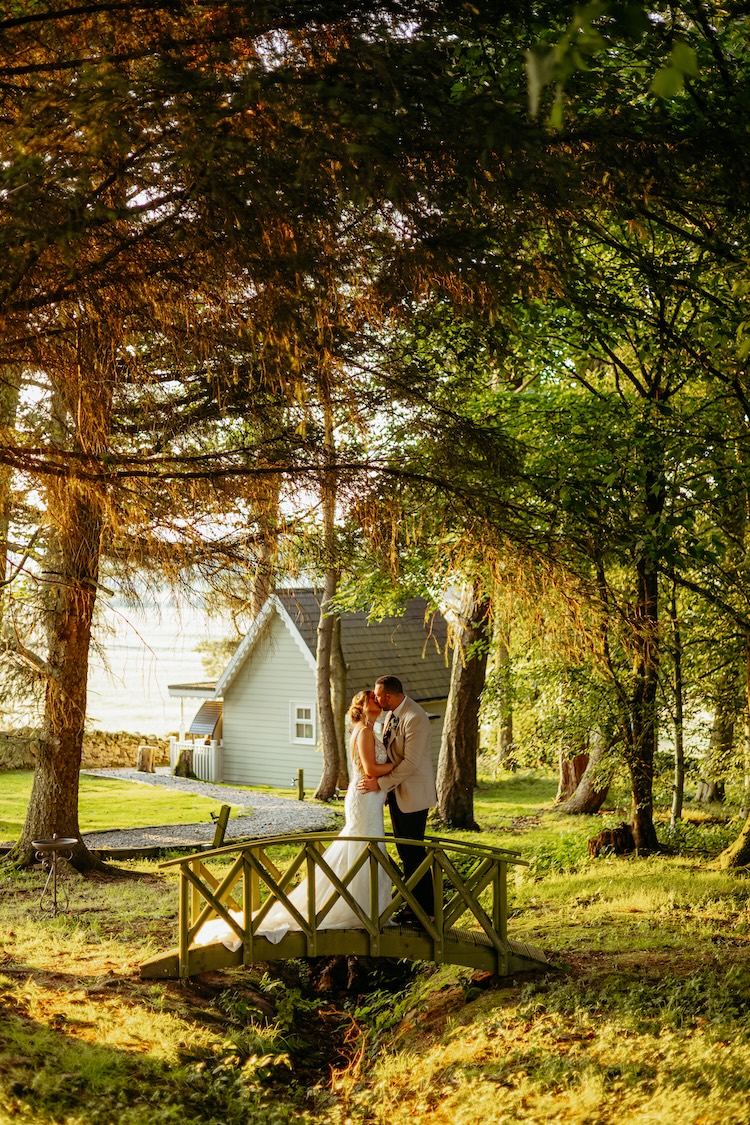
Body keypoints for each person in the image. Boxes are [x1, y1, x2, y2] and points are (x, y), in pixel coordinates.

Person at [194, 689, 394, 950]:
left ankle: (365, 906)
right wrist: (399, 766)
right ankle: (354, 908)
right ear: (362, 706)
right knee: (363, 847)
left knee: (365, 847)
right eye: (372, 699)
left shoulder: (368, 730)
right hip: (365, 798)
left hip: (369, 798)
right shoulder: (364, 731)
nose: (377, 701)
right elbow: (370, 769)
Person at [358, 674, 437, 922]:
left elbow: (411, 763)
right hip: (396, 793)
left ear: (388, 696)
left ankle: (427, 911)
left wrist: (380, 784)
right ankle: (414, 907)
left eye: (377, 695)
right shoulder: (391, 714)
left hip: (413, 794)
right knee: (405, 851)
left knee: (414, 851)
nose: (375, 698)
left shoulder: (415, 718)